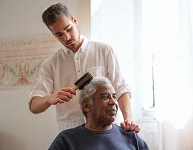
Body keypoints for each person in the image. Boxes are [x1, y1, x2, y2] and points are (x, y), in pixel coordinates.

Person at [29, 3, 140, 132]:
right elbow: (34, 106)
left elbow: (120, 87)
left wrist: (128, 119)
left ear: (75, 21)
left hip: (106, 130)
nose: (66, 37)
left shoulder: (104, 50)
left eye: (68, 29)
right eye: (59, 34)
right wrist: (50, 98)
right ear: (53, 34)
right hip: (71, 135)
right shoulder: (51, 64)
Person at [48, 77, 149, 150]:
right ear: (86, 106)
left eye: (114, 97)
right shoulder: (67, 140)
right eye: (105, 97)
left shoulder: (131, 136)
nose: (113, 102)